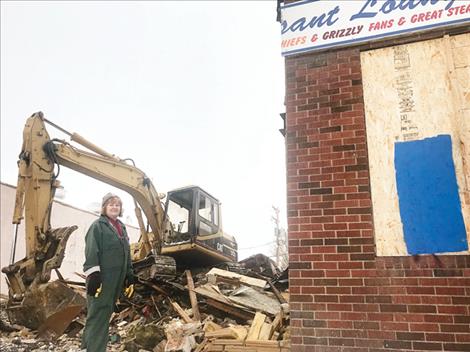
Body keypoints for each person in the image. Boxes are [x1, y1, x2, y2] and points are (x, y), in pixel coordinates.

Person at [81, 193, 135, 352]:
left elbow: (127, 253)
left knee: (100, 314)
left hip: (115, 281)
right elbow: (91, 251)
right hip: (101, 280)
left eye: (117, 205)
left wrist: (129, 276)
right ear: (104, 207)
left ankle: (86, 346)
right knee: (99, 315)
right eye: (110, 204)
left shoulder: (121, 227)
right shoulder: (97, 226)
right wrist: (94, 275)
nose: (114, 207)